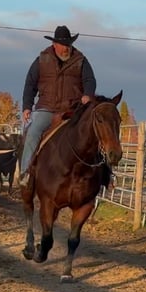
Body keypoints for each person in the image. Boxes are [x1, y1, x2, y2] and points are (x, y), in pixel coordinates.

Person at [18, 25, 97, 188]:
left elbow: (90, 80)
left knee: (94, 130)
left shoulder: (80, 59)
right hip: (47, 108)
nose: (66, 48)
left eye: (69, 44)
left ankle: (106, 175)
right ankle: (25, 172)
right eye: (63, 45)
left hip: (73, 109)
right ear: (55, 44)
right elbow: (30, 84)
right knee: (33, 131)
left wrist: (87, 94)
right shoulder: (42, 59)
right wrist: (27, 106)